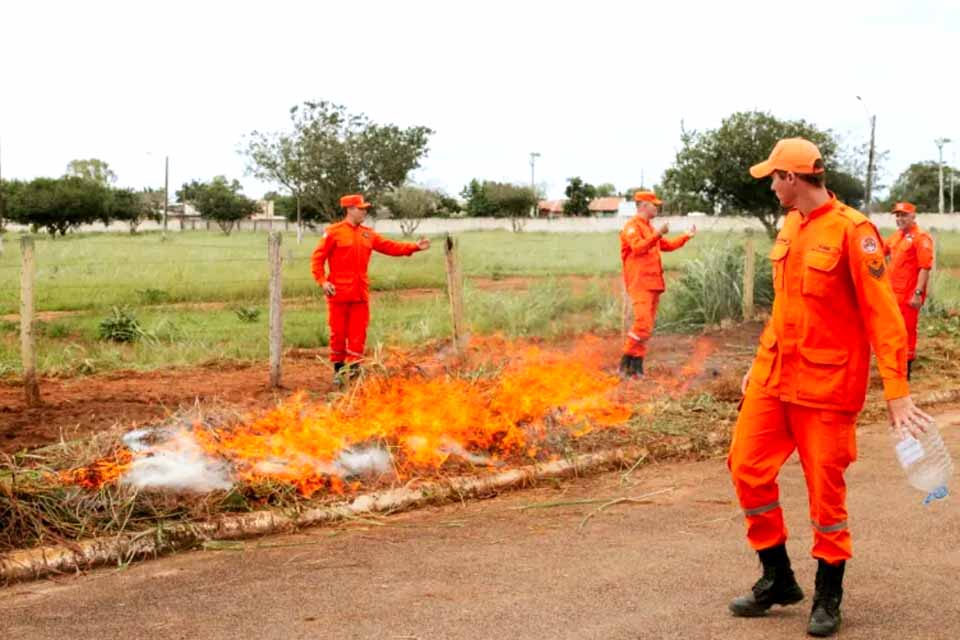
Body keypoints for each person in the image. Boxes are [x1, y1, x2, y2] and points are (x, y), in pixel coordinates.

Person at [727, 138, 933, 637]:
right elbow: (782, 307)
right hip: (776, 377)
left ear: (793, 179)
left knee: (826, 493)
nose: (771, 186)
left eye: (774, 178)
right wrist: (759, 362)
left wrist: (897, 391)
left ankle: (828, 593)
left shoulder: (853, 231)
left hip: (827, 385)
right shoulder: (791, 224)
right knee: (746, 467)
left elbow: (885, 317)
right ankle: (777, 577)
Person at [311, 194, 430, 383]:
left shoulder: (368, 233)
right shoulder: (334, 232)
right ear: (349, 209)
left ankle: (354, 370)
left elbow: (390, 247)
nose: (364, 211)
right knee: (338, 333)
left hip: (360, 293)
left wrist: (414, 247)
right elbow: (317, 258)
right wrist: (323, 281)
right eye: (361, 208)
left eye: (365, 208)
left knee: (358, 334)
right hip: (338, 293)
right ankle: (339, 372)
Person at [619, 190, 696, 377]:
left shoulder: (649, 228)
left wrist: (686, 236)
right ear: (644, 205)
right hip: (640, 283)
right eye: (654, 204)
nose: (657, 207)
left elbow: (666, 246)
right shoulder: (632, 227)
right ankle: (625, 363)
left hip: (654, 283)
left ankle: (636, 367)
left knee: (647, 328)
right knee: (642, 324)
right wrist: (658, 233)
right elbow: (638, 248)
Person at [885, 201, 934, 380]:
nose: (900, 219)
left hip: (909, 296)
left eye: (904, 215)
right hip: (892, 294)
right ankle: (893, 366)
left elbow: (925, 267)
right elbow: (880, 251)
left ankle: (906, 371)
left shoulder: (921, 238)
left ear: (913, 216)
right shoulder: (896, 236)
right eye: (897, 215)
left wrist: (918, 293)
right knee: (892, 330)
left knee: (906, 331)